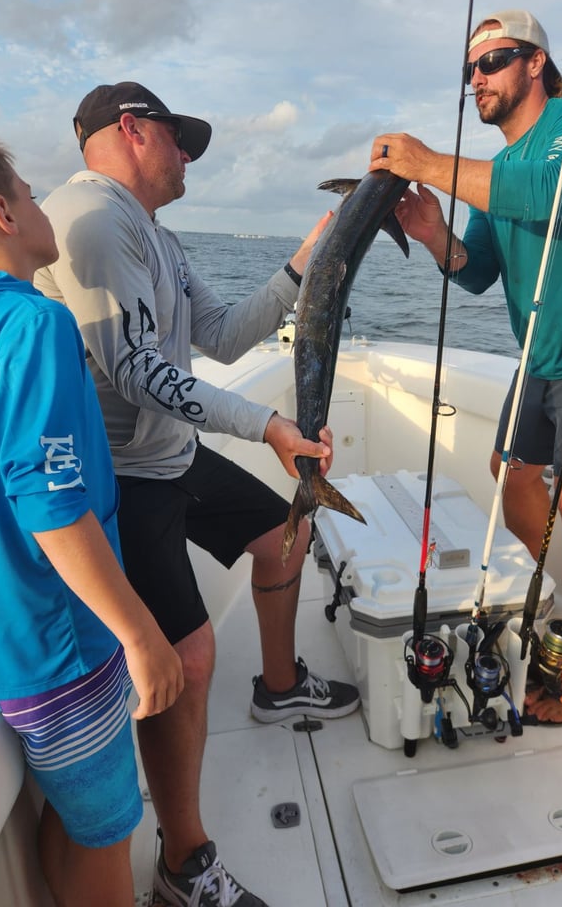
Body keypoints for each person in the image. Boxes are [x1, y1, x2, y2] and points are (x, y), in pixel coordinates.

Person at [34, 81, 360, 906]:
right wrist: (269, 426)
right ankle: (186, 862)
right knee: (188, 655)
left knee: (286, 537)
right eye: (181, 140)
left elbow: (217, 336)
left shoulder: (156, 236)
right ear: (133, 130)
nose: (188, 158)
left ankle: (279, 687)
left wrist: (303, 263)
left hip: (171, 455)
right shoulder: (94, 218)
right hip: (125, 480)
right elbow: (136, 374)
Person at [369, 10, 562, 726]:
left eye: (493, 61)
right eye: (469, 69)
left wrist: (426, 162)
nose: (477, 79)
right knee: (515, 471)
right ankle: (547, 614)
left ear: (536, 63)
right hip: (545, 351)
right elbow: (476, 272)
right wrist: (434, 233)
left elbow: (549, 194)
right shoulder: (496, 171)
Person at [0, 132, 184, 907]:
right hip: (64, 649)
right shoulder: (34, 324)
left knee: (76, 821)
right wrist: (142, 636)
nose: (45, 206)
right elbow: (51, 502)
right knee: (109, 840)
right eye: (32, 194)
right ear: (3, 212)